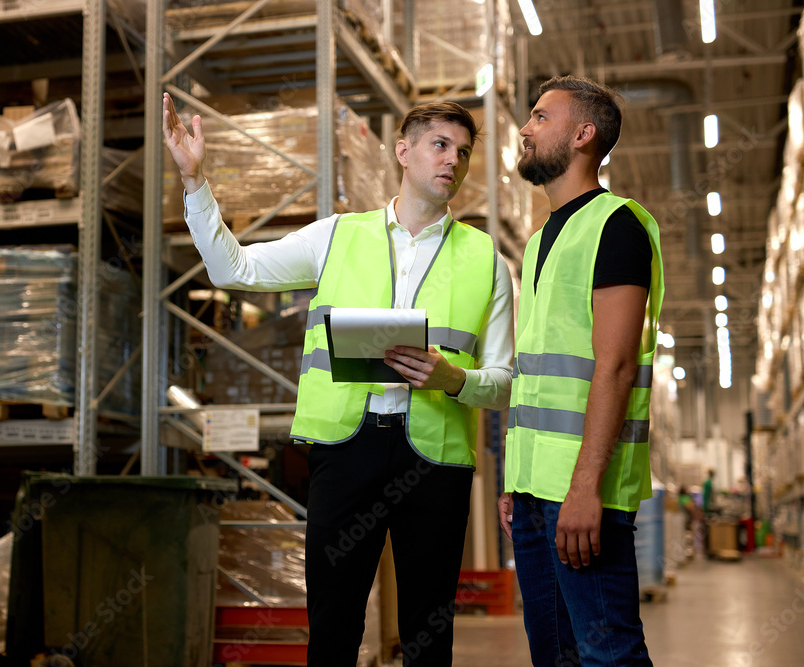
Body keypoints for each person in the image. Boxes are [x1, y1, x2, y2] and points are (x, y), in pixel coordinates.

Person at [163, 92, 514, 666]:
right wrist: (195, 181)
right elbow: (233, 268)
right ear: (404, 152)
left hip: (435, 460)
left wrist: (453, 379)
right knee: (333, 621)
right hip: (344, 449)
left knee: (429, 628)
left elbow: (502, 381)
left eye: (464, 152)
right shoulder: (337, 236)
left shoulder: (486, 260)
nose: (453, 160)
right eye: (439, 145)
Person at [498, 75, 663, 666]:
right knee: (557, 656)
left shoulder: (615, 225)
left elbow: (615, 367)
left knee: (608, 653)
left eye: (541, 117)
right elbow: (539, 374)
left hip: (581, 493)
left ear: (583, 134)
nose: (524, 128)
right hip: (536, 494)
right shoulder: (543, 238)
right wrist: (517, 479)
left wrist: (585, 487)